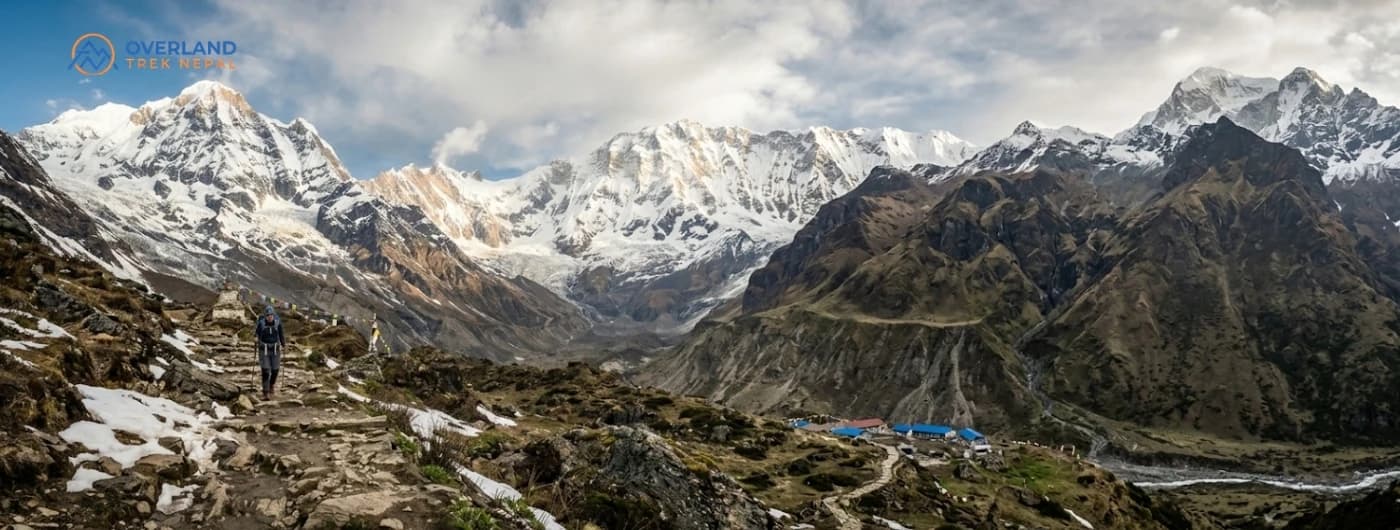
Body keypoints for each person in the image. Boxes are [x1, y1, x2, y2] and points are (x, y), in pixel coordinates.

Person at [255, 305, 285, 400]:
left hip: (275, 349)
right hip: (264, 350)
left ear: (273, 315)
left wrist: (284, 344)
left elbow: (281, 334)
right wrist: (256, 339)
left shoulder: (277, 323)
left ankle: (271, 384)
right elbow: (256, 334)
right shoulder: (261, 324)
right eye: (268, 315)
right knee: (266, 370)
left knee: (275, 370)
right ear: (265, 316)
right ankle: (266, 392)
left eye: (271, 315)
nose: (269, 317)